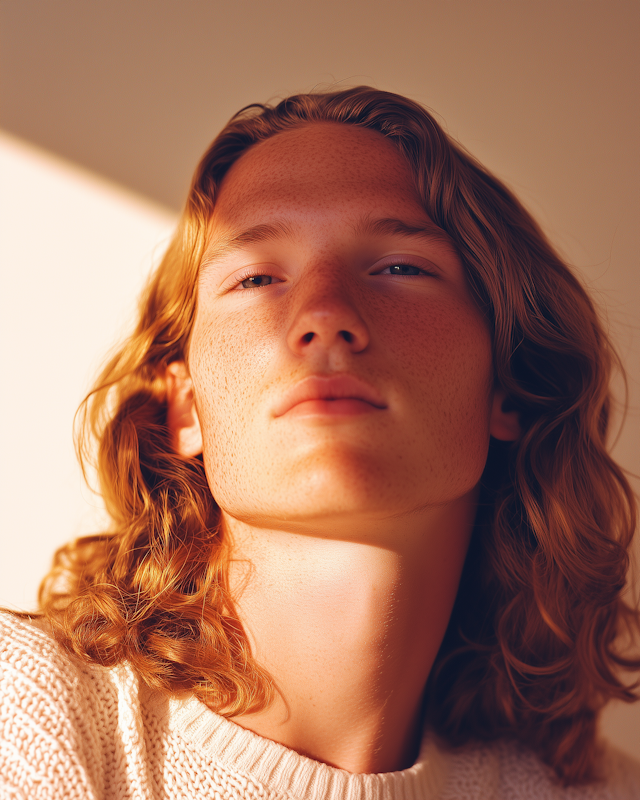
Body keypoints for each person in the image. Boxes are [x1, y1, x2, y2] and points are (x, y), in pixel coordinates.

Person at [1, 86, 639, 799]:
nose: (324, 316)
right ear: (184, 405)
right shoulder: (28, 716)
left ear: (511, 385)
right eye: (257, 277)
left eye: (400, 267)